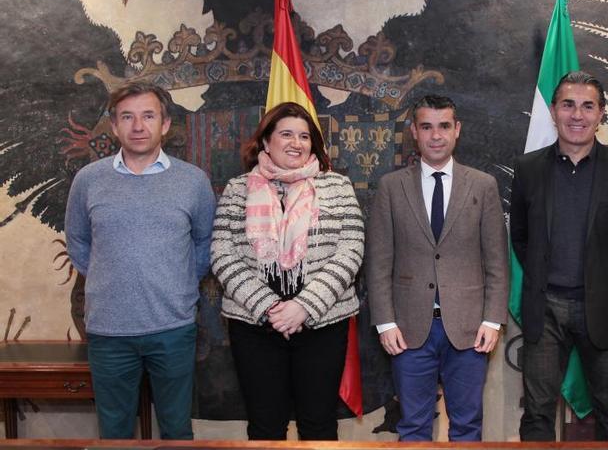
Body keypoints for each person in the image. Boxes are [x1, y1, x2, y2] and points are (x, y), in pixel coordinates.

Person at [64, 82, 216, 439]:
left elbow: (204, 242)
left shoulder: (193, 181)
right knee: (114, 431)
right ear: (114, 126)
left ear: (164, 124)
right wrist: (111, 280)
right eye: (127, 117)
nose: (137, 126)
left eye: (148, 116)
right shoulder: (88, 180)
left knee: (177, 430)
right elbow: (79, 243)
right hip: (109, 331)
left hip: (173, 327)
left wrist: (176, 286)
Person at [510, 71, 608, 441]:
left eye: (588, 106)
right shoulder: (528, 169)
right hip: (546, 309)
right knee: (537, 415)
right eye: (568, 105)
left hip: (601, 309)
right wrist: (544, 277)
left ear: (601, 113)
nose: (577, 114)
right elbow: (521, 238)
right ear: (554, 111)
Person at [210, 102, 363, 440]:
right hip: (255, 326)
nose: (296, 142)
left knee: (319, 425)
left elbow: (350, 251)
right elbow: (222, 253)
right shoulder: (238, 190)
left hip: (323, 324)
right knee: (265, 427)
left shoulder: (337, 188)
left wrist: (303, 306)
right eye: (287, 134)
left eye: (305, 136)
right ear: (265, 141)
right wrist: (269, 306)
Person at [366, 95, 509, 441]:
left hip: (470, 329)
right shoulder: (391, 186)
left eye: (444, 126)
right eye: (426, 127)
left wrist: (492, 320)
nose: (436, 135)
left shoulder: (483, 185)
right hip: (409, 329)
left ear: (456, 130)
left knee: (468, 426)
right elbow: (379, 261)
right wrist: (385, 323)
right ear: (414, 132)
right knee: (413, 426)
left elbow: (496, 262)